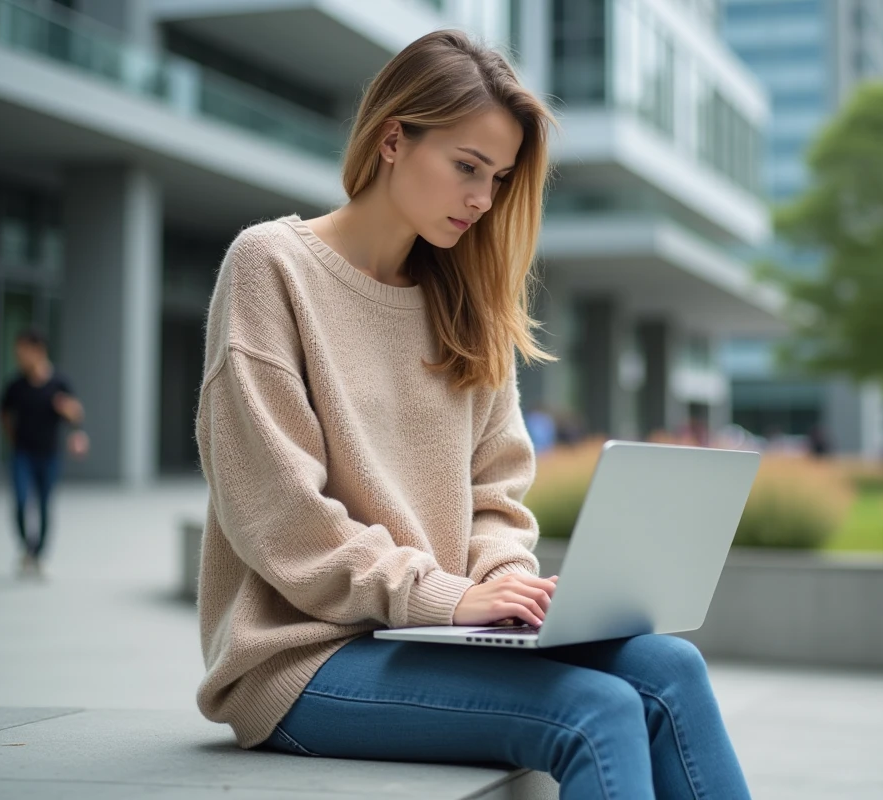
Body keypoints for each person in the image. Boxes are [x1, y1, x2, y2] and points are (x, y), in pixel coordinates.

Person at [193, 30, 751, 799]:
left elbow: (496, 498)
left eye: (498, 178)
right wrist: (443, 596)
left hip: (436, 634)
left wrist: (510, 593)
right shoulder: (271, 267)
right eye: (466, 168)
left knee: (670, 667)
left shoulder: (466, 302)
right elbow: (279, 516)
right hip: (303, 657)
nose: (483, 201)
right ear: (394, 138)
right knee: (596, 711)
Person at [0, 329, 89, 578]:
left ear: (38, 351)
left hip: (49, 455)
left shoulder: (59, 382)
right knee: (19, 501)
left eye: (22, 352)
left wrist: (70, 418)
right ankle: (27, 548)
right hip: (22, 454)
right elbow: (4, 414)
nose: (19, 357)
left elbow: (76, 414)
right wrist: (13, 438)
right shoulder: (15, 384)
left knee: (44, 505)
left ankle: (39, 555)